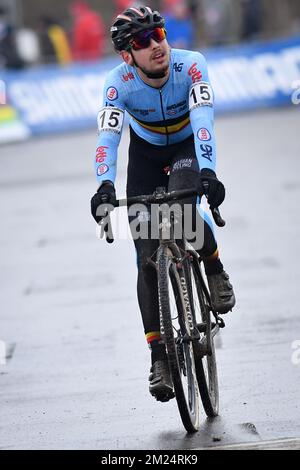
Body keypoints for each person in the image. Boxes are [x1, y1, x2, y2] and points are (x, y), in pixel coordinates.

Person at [90, 5, 236, 402]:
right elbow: (108, 138)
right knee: (146, 256)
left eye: (160, 33)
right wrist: (104, 185)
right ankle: (159, 357)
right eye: (143, 41)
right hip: (146, 154)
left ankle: (214, 266)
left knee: (185, 212)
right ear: (127, 55)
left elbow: (203, 118)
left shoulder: (191, 65)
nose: (157, 44)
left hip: (188, 145)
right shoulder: (117, 83)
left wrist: (209, 172)